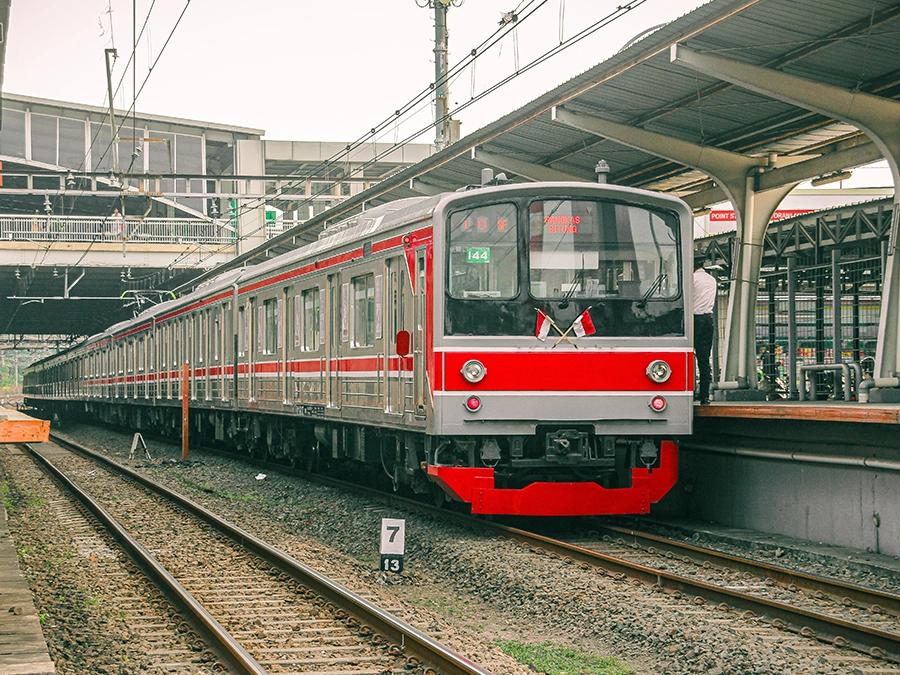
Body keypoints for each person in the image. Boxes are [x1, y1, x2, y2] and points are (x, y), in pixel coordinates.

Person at [693, 254, 716, 404]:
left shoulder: (691, 279)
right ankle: (704, 396)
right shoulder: (711, 279)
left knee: (686, 356)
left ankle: (689, 389)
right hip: (708, 320)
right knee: (704, 360)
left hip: (694, 319)